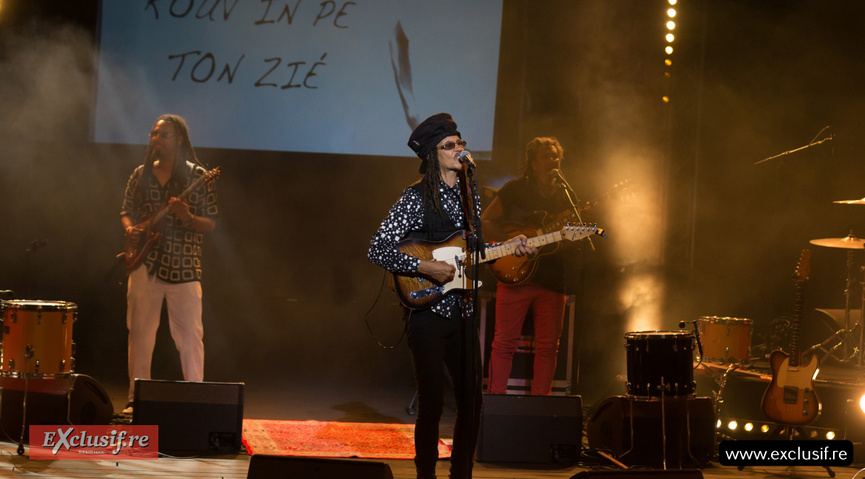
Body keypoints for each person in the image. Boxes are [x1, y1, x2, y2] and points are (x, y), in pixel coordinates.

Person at [368, 113, 535, 479]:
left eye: (461, 143)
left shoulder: (470, 193)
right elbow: (378, 249)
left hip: (462, 310)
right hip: (426, 311)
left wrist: (506, 247)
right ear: (432, 154)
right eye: (450, 145)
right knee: (431, 404)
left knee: (471, 403)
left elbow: (472, 249)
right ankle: (425, 475)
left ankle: (461, 474)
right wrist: (425, 268)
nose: (460, 149)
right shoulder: (413, 198)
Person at [120, 114, 218, 413]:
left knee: (190, 336)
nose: (156, 139)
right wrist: (130, 229)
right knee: (140, 334)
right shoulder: (141, 174)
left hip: (184, 268)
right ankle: (137, 400)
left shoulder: (197, 176)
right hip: (144, 264)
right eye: (154, 134)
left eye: (163, 135)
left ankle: (195, 399)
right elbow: (126, 210)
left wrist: (186, 215)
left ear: (178, 140)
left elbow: (210, 224)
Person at [483, 137, 579, 396]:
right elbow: (487, 221)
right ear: (533, 163)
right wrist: (510, 242)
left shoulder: (565, 195)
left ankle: (541, 408)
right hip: (515, 275)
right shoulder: (515, 189)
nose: (553, 161)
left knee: (549, 347)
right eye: (547, 156)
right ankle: (495, 405)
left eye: (556, 156)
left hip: (552, 278)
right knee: (504, 344)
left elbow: (569, 244)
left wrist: (569, 236)